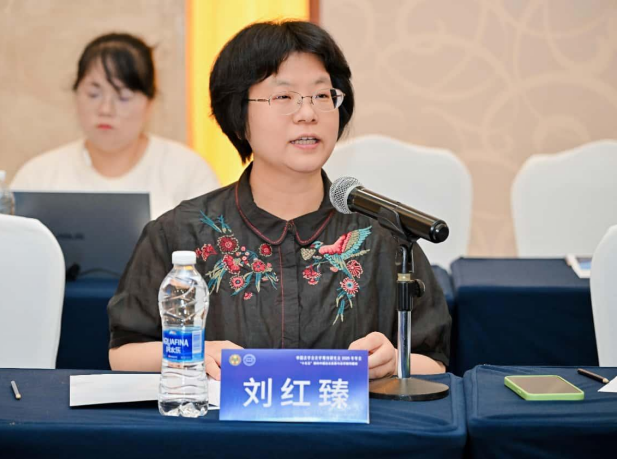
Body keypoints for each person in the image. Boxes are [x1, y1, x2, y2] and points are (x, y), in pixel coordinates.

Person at [108, 21, 451, 380]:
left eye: (322, 95)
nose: (308, 113)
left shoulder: (384, 234)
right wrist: (195, 351)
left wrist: (393, 363)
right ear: (238, 116)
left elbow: (435, 359)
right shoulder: (181, 231)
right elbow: (124, 352)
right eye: (284, 97)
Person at [11, 33, 219, 220]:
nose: (105, 109)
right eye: (93, 94)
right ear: (76, 94)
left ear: (149, 103)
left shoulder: (188, 172)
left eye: (123, 96)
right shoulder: (38, 176)